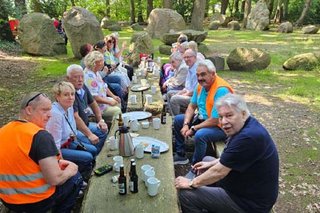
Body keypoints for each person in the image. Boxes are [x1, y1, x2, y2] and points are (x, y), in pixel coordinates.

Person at [175, 93, 279, 213]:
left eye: (229, 115)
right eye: (220, 117)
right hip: (243, 186)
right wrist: (212, 163)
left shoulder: (248, 137)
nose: (223, 122)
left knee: (186, 194)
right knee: (208, 160)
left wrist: (191, 183)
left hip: (249, 203)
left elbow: (219, 172)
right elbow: (236, 157)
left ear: (243, 114)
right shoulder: (247, 125)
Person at [0, 92, 82, 212]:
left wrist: (55, 164)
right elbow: (55, 179)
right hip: (36, 202)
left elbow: (20, 161)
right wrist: (72, 169)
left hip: (8, 200)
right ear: (29, 110)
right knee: (76, 178)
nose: (50, 115)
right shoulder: (39, 136)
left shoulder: (3, 131)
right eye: (45, 110)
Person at [173, 59, 234, 165]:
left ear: (213, 74)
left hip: (222, 127)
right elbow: (191, 106)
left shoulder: (221, 90)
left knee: (201, 135)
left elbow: (215, 120)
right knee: (179, 120)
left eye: (203, 74)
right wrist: (186, 124)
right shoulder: (200, 86)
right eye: (197, 75)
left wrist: (194, 128)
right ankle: (181, 154)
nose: (200, 78)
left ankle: (196, 166)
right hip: (204, 119)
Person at [46, 81, 97, 178]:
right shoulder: (55, 115)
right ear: (57, 96)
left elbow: (72, 129)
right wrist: (61, 164)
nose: (70, 97)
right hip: (58, 149)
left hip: (69, 141)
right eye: (66, 95)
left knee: (93, 149)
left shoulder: (69, 107)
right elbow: (54, 145)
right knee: (87, 157)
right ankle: (80, 178)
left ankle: (89, 171)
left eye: (72, 94)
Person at [66, 64, 108, 154]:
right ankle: (94, 158)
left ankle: (98, 155)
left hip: (86, 123)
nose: (80, 80)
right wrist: (90, 134)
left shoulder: (83, 87)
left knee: (104, 130)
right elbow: (75, 117)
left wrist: (100, 120)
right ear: (68, 78)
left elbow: (93, 103)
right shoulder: (69, 94)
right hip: (75, 130)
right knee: (92, 143)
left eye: (82, 76)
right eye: (76, 77)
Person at [83, 50, 122, 124]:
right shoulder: (89, 77)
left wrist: (113, 96)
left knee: (118, 101)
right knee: (117, 110)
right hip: (96, 107)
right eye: (101, 61)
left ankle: (115, 124)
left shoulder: (95, 72)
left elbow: (104, 86)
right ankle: (116, 128)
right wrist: (109, 102)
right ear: (94, 63)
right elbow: (94, 98)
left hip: (103, 101)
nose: (103, 63)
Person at [169, 49, 199, 115]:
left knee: (174, 99)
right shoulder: (190, 68)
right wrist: (180, 93)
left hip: (195, 97)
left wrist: (183, 95)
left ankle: (176, 120)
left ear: (195, 57)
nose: (186, 59)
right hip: (188, 93)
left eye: (188, 57)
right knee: (170, 93)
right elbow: (187, 87)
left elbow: (195, 91)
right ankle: (173, 115)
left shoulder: (197, 70)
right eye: (185, 57)